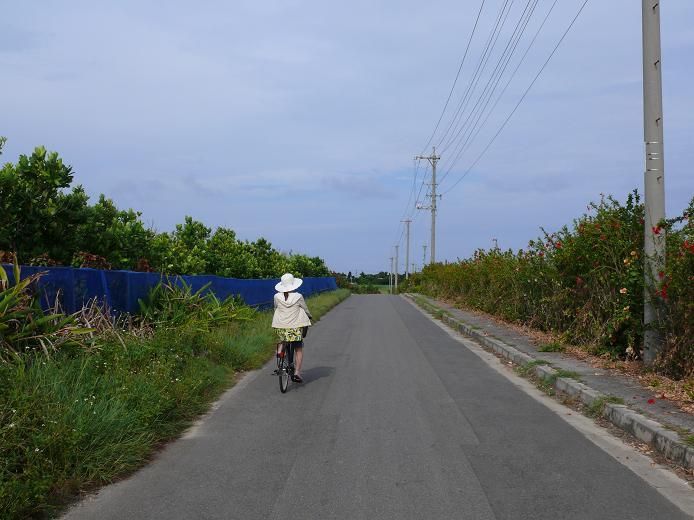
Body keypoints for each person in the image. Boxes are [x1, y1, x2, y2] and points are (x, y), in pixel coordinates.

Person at [272, 273, 312, 383]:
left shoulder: (276, 296)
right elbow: (305, 309)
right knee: (298, 349)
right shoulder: (298, 296)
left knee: (283, 339)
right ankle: (297, 373)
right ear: (293, 284)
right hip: (294, 328)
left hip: (280, 326)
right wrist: (309, 316)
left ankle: (280, 352)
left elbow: (276, 308)